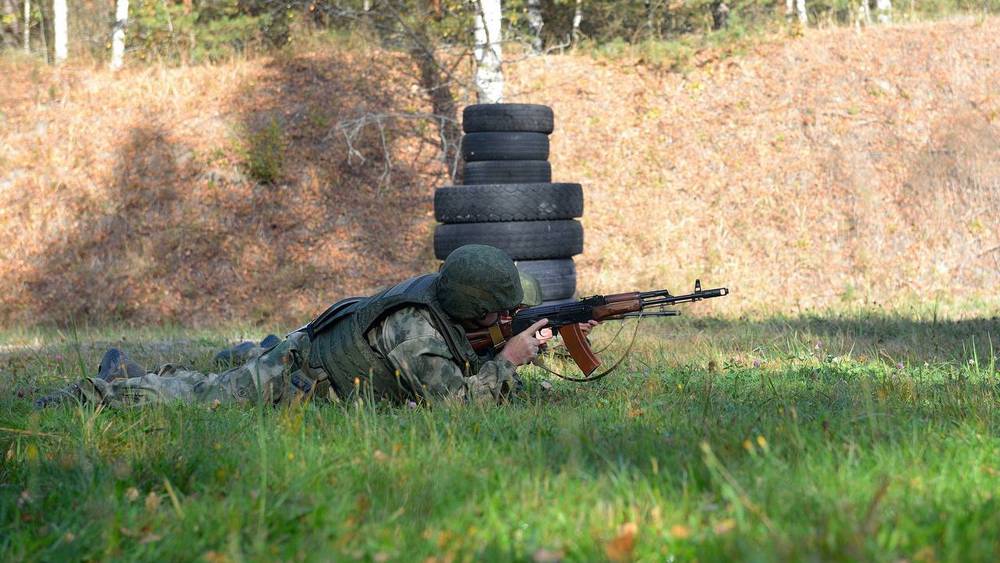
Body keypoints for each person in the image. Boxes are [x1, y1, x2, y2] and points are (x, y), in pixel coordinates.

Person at [34, 245, 554, 408]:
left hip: (309, 349)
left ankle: (138, 367)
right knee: (198, 397)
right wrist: (509, 360)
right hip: (296, 378)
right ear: (471, 302)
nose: (501, 321)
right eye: (497, 313)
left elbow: (466, 352)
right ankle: (90, 395)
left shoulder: (444, 295)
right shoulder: (414, 329)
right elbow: (455, 408)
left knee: (217, 375)